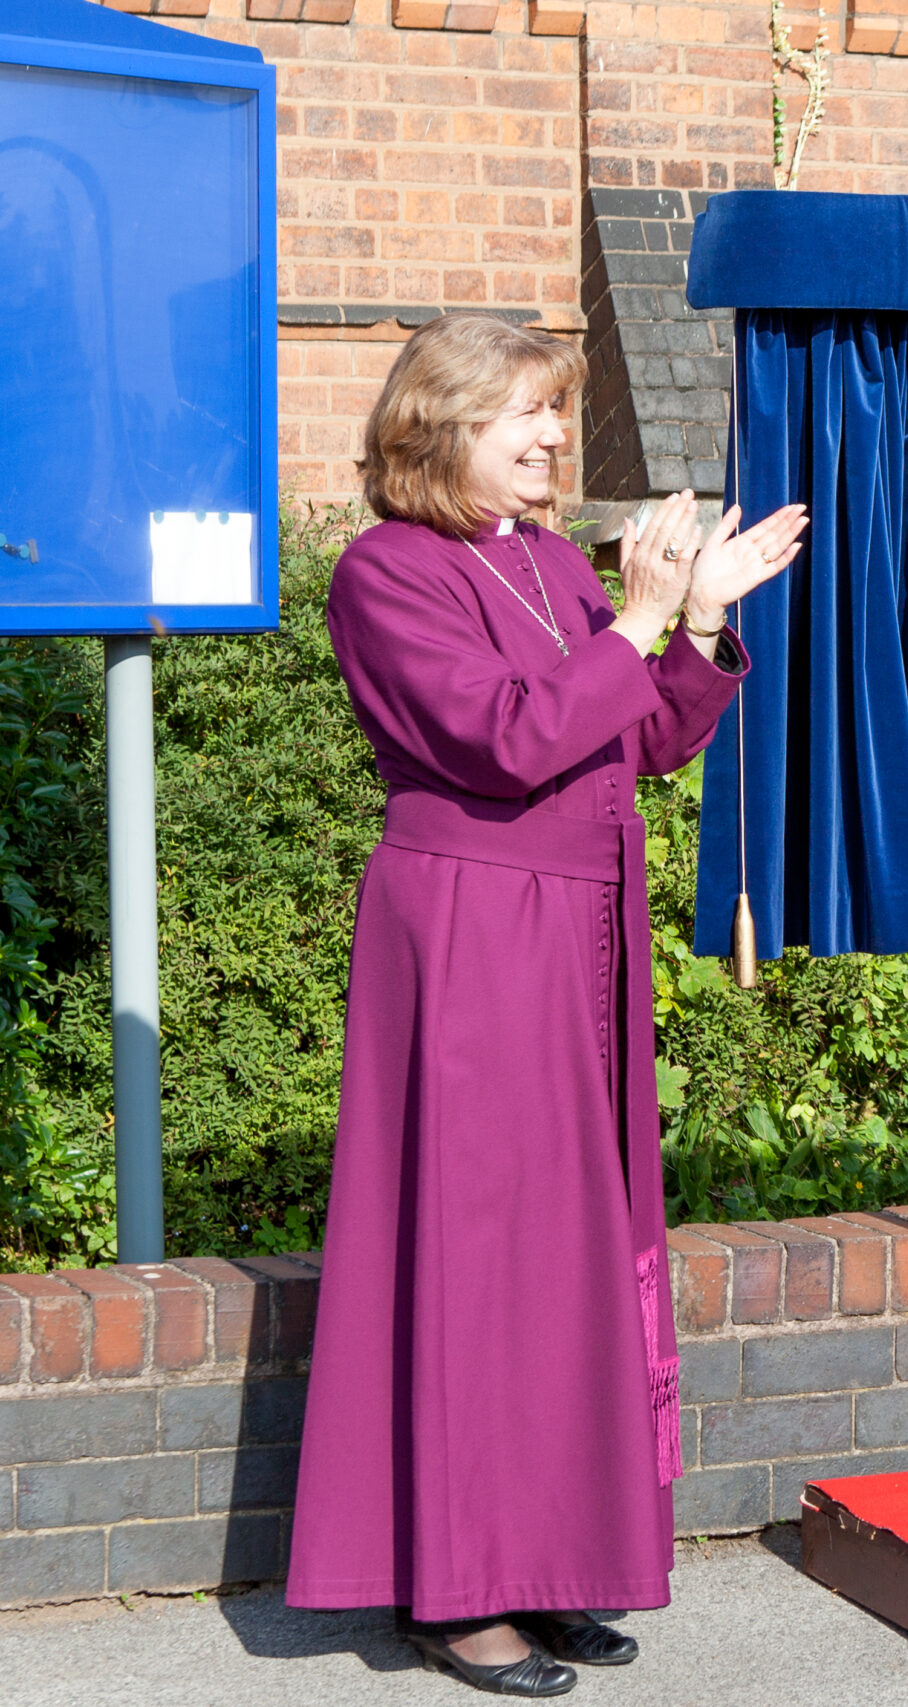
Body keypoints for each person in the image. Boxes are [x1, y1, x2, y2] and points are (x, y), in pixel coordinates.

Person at [284, 312, 807, 1696]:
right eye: (527, 410)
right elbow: (507, 738)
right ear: (442, 423)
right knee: (481, 1252)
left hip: (576, 923)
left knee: (576, 1250)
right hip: (470, 929)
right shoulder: (385, 574)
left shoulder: (549, 566)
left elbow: (639, 737)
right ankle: (460, 1589)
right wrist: (636, 617)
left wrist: (696, 621)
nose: (554, 436)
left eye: (558, 413)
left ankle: (556, 1554)